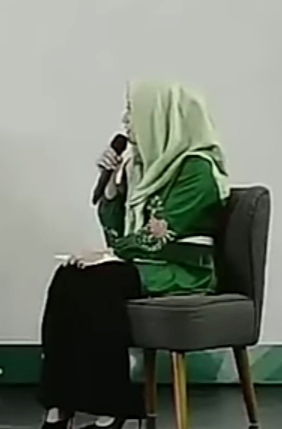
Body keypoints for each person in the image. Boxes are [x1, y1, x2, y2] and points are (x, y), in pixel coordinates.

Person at [38, 80, 231, 429]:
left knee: (101, 282)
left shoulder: (197, 169)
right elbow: (117, 231)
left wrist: (109, 254)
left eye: (133, 112)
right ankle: (60, 402)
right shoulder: (142, 166)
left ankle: (111, 407)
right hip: (142, 264)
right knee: (69, 277)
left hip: (183, 269)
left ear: (160, 117)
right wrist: (112, 186)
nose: (126, 122)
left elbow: (159, 234)